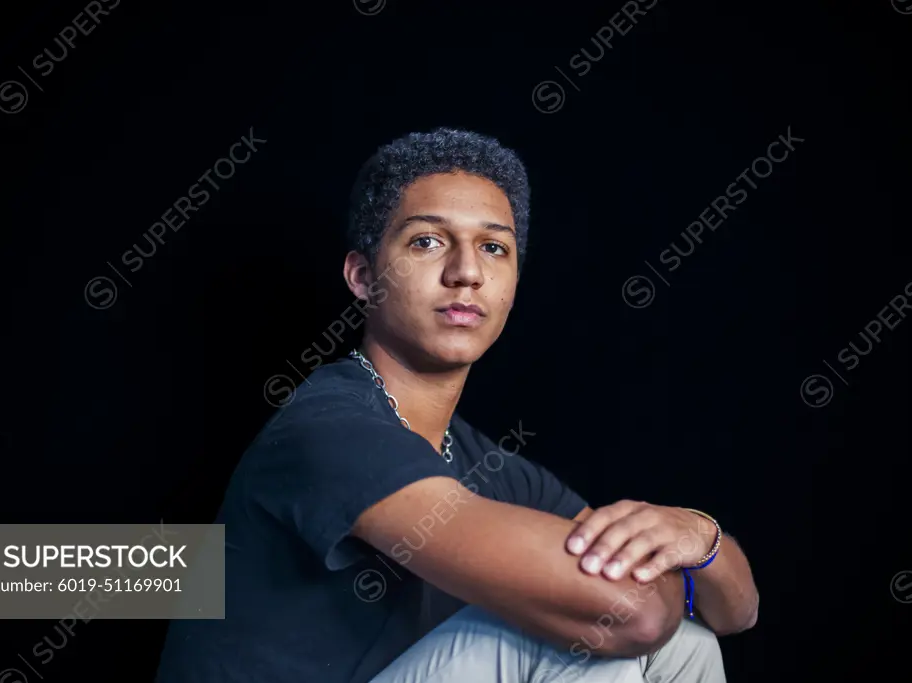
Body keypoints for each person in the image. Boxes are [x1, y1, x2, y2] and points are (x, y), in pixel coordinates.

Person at [153, 128, 759, 683]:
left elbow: (733, 613)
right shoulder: (330, 424)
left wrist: (697, 536)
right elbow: (630, 616)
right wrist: (649, 581)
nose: (466, 272)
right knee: (575, 637)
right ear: (363, 278)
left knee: (689, 644)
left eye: (494, 249)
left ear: (515, 281)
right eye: (427, 241)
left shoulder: (490, 467)